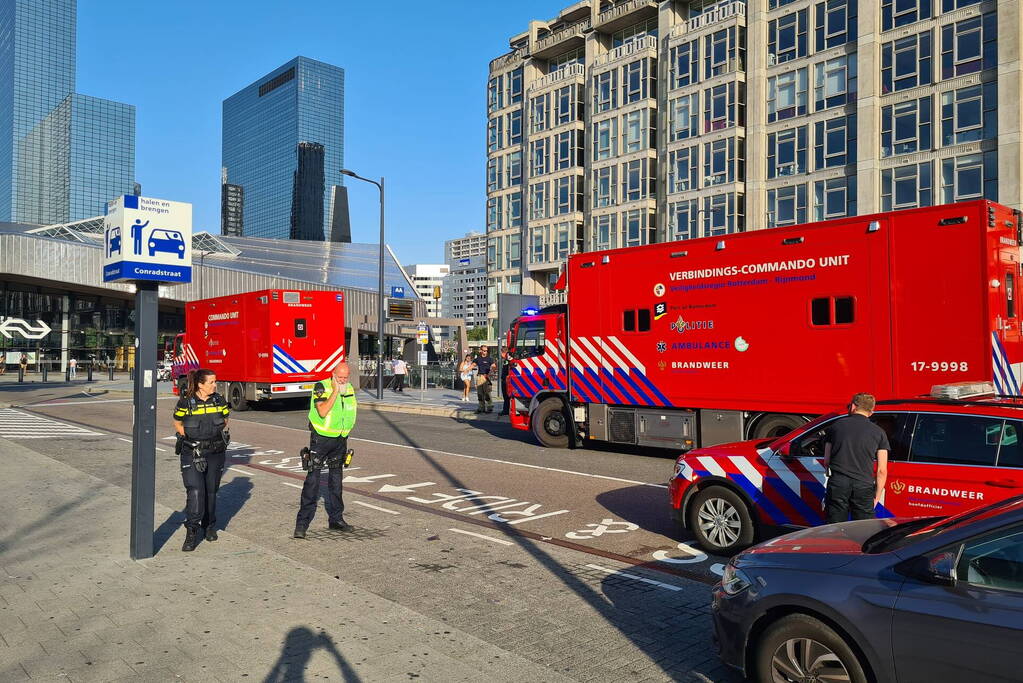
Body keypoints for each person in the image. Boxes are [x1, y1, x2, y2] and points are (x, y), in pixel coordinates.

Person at [294, 361, 357, 539]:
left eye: (345, 378)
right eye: (340, 377)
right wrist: (336, 391)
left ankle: (336, 519)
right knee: (312, 482)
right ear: (333, 374)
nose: (343, 381)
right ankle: (302, 524)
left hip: (340, 439)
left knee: (336, 483)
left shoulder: (350, 388)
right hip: (321, 439)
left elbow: (348, 412)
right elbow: (322, 411)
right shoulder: (321, 386)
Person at [172, 369, 231, 552]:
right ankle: (192, 531)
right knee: (196, 491)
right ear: (200, 384)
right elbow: (178, 423)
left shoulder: (219, 400)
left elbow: (225, 420)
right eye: (212, 382)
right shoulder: (185, 402)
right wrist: (191, 441)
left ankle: (209, 526)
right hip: (193, 452)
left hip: (215, 451)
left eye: (215, 381)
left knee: (211, 491)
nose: (215, 385)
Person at [822, 393, 889, 524]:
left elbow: (827, 460)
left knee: (835, 527)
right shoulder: (879, 432)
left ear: (853, 406)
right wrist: (877, 496)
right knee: (863, 529)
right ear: (871, 412)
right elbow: (882, 470)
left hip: (838, 484)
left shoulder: (836, 426)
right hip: (863, 486)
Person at [472, 346, 495, 414]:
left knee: (487, 393)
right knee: (480, 393)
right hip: (479, 377)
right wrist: (466, 370)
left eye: (486, 351)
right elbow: (472, 365)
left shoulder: (489, 359)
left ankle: (490, 407)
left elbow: (494, 367)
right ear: (481, 351)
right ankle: (481, 407)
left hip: (486, 377)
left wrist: (490, 373)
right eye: (484, 350)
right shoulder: (478, 359)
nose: (485, 352)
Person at [499, 348, 511, 416]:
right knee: (505, 396)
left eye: (501, 352)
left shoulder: (508, 360)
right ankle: (506, 410)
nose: (501, 354)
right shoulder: (506, 360)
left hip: (506, 380)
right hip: (504, 379)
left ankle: (506, 410)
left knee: (506, 396)